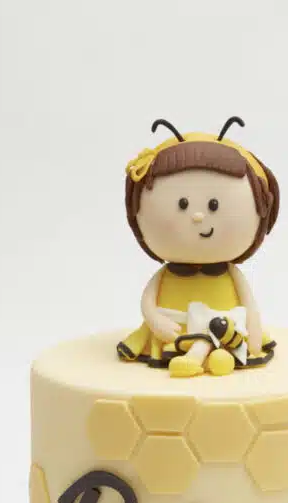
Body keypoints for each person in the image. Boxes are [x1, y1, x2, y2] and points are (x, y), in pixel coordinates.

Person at [118, 117, 279, 378]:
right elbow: (148, 302)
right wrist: (155, 320)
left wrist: (254, 329)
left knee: (220, 334)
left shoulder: (231, 275)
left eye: (214, 205)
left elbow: (249, 304)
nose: (197, 216)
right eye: (182, 204)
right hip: (174, 333)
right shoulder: (165, 276)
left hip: (224, 328)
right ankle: (202, 357)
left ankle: (211, 356)